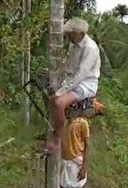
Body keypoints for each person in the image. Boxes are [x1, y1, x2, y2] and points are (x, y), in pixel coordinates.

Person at [46, 18, 101, 152]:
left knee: (59, 102)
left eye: (71, 34)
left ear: (80, 33)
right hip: (73, 81)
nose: (68, 37)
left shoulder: (90, 48)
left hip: (86, 84)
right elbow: (69, 67)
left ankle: (58, 137)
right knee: (49, 95)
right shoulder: (74, 45)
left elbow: (80, 75)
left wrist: (60, 92)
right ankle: (56, 126)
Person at [60, 116, 90, 188]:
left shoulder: (82, 122)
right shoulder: (62, 121)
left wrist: (84, 167)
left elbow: (87, 146)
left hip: (76, 161)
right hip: (63, 160)